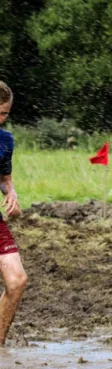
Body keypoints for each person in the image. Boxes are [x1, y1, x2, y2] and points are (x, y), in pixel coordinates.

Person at [0, 82, 27, 347]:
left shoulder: (6, 140)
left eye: (5, 114)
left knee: (17, 281)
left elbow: (5, 178)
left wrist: (11, 193)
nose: (0, 119)